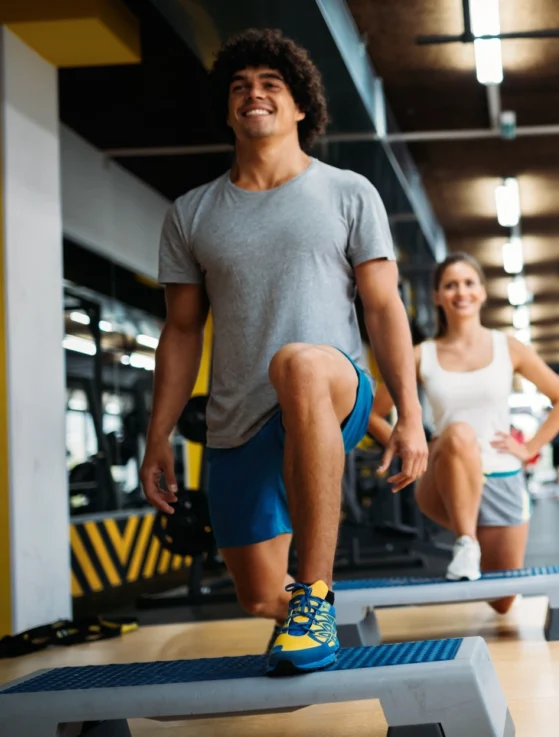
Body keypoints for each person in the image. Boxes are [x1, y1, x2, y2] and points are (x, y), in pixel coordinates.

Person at [139, 30, 428, 676]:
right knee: (259, 593)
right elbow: (182, 331)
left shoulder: (348, 193)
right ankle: (300, 605)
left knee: (297, 363)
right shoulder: (191, 214)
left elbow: (383, 306)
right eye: (240, 86)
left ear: (301, 107)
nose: (254, 93)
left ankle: (318, 595)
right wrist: (158, 434)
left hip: (332, 388)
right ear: (226, 109)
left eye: (271, 84)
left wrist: (409, 413)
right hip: (237, 418)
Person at [368, 253, 559, 610]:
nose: (460, 292)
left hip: (501, 477)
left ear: (481, 292)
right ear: (437, 297)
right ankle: (466, 541)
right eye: (450, 285)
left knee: (502, 602)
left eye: (468, 283)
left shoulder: (507, 347)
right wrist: (412, 448)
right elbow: (373, 413)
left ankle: (474, 543)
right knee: (459, 432)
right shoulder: (421, 355)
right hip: (444, 474)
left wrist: (530, 448)